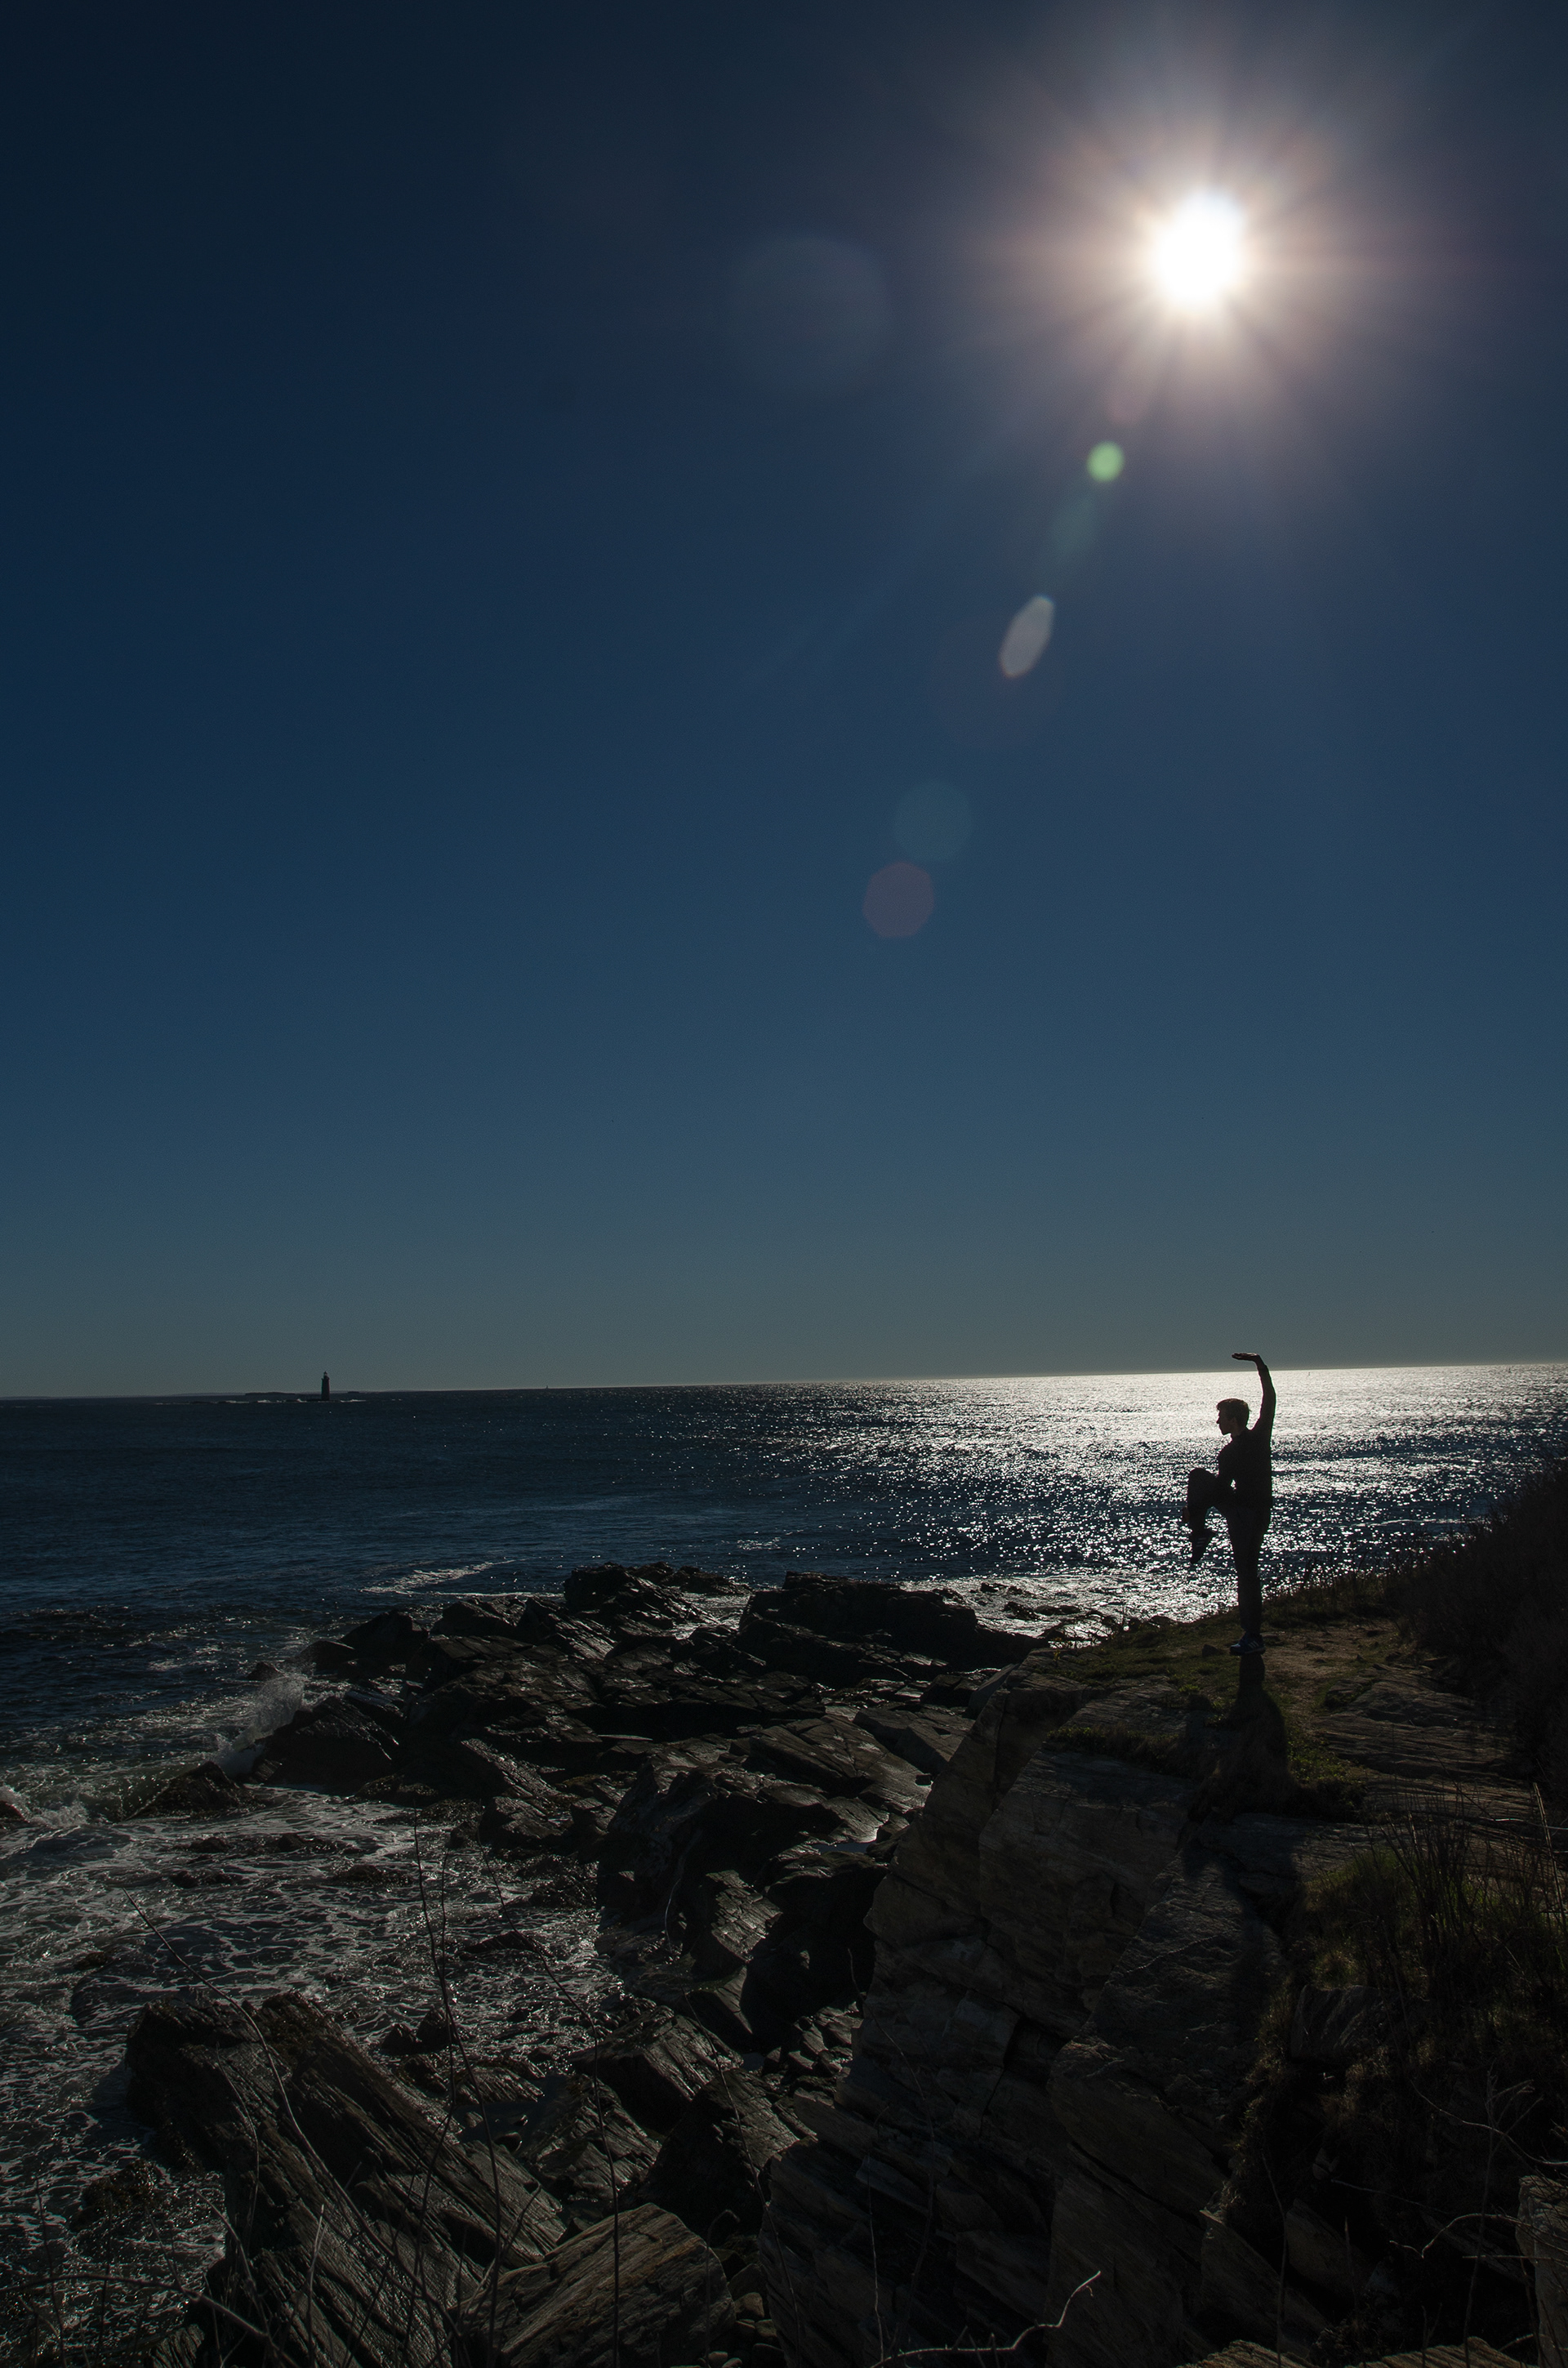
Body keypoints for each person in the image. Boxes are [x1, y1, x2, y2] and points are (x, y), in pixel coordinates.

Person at [1183, 1352, 1275, 1656]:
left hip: (1252, 1514)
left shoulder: (1258, 1437)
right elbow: (1220, 1488)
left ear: (1233, 1420)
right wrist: (1196, 1512)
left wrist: (1258, 1363)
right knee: (1197, 1477)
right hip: (1238, 1509)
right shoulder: (1228, 1453)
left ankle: (1253, 1636)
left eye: (1221, 1416)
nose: (1217, 1421)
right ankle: (1200, 1534)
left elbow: (1269, 1398)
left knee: (1247, 1573)